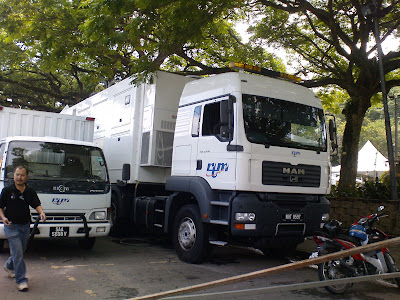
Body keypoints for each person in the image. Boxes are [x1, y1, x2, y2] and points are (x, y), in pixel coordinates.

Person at [0, 165, 46, 292]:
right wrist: (3, 218)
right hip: (11, 226)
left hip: (25, 226)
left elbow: (36, 203)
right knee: (18, 253)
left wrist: (41, 212)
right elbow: (0, 207)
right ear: (13, 175)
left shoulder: (29, 191)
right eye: (17, 174)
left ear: (27, 177)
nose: (19, 177)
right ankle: (21, 280)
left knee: (20, 251)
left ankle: (9, 265)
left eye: (22, 175)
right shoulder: (7, 190)